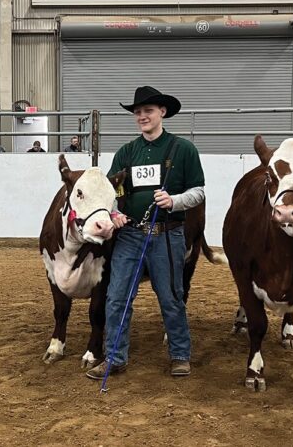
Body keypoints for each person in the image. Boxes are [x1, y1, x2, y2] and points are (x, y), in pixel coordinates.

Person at [85, 85, 205, 380]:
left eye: (148, 111)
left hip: (167, 235)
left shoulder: (183, 149)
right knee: (117, 297)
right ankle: (115, 357)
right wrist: (115, 213)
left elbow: (199, 192)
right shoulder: (127, 152)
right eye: (138, 112)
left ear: (162, 112)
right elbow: (110, 192)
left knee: (171, 297)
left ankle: (179, 355)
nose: (142, 116)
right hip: (130, 236)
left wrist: (175, 201)